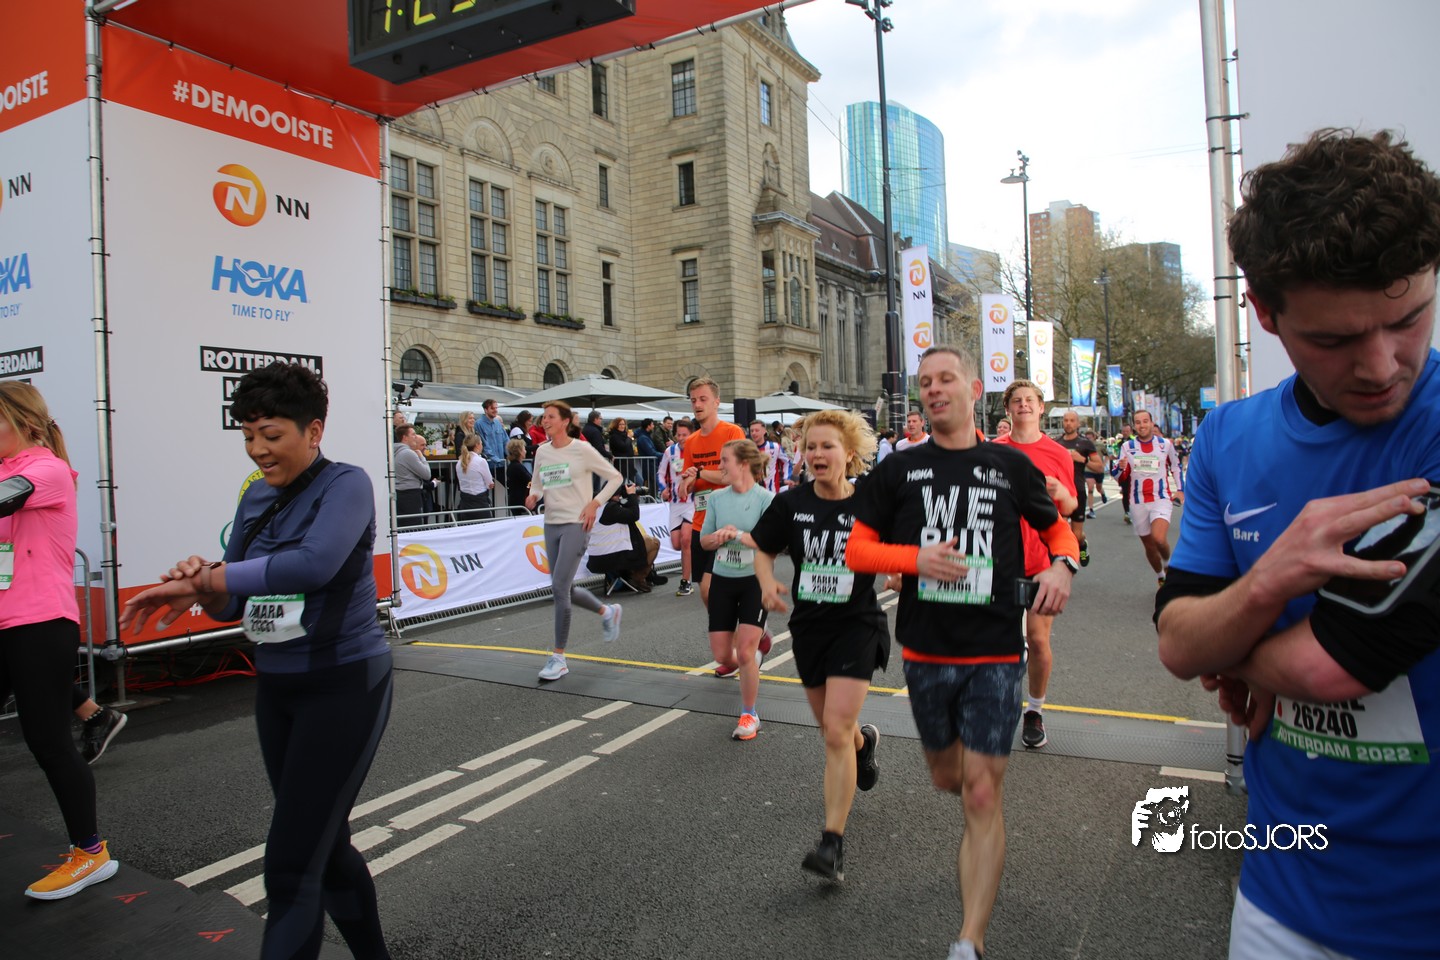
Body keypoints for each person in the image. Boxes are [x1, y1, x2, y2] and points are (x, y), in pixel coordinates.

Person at [1155, 129, 1440, 960]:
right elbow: (1177, 638)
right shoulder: (1228, 436)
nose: (1381, 365)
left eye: (1408, 319)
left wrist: (1231, 642)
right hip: (1284, 896)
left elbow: (1331, 666)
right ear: (1264, 312)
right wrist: (1269, 581)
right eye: (1335, 341)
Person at [119, 362, 393, 959]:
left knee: (291, 866)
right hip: (277, 688)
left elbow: (314, 565)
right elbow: (231, 605)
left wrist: (211, 578)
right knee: (325, 846)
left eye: (271, 435)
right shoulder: (255, 497)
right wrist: (201, 581)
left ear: (313, 431)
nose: (258, 450)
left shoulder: (346, 484)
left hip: (344, 684)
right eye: (248, 436)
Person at [845, 346, 1078, 960]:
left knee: (980, 793)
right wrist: (914, 559)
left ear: (974, 389)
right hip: (926, 651)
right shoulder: (898, 470)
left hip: (995, 650)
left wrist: (1063, 564)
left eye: (946, 378)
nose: (933, 389)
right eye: (925, 382)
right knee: (948, 777)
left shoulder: (1009, 464)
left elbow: (1056, 527)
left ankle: (969, 940)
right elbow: (858, 551)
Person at [750, 410, 889, 880]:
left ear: (848, 454)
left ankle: (832, 844)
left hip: (857, 624)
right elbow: (764, 548)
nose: (816, 454)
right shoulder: (791, 504)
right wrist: (766, 583)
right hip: (810, 627)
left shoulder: (871, 502)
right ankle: (863, 745)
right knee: (835, 730)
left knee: (834, 731)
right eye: (810, 447)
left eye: (827, 446)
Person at [0, 383, 120, 900]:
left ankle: (90, 853)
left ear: (24, 424)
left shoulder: (46, 470)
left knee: (47, 741)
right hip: (6, 624)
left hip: (41, 623)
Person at [993, 379, 1079, 750]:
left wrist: (1061, 493)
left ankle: (1035, 711)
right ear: (1008, 409)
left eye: (1030, 400)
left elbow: (1072, 507)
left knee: (1038, 639)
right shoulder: (993, 450)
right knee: (998, 641)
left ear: (1041, 408)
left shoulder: (1058, 454)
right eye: (1017, 400)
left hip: (1042, 560)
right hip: (999, 560)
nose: (1024, 405)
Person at [526, 401, 625, 681]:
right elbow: (538, 484)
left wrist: (595, 503)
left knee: (559, 587)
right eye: (543, 417)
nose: (545, 421)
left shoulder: (582, 449)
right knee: (564, 588)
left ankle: (559, 658)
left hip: (577, 523)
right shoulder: (542, 451)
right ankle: (607, 612)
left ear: (565, 422)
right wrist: (534, 496)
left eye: (550, 417)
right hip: (551, 523)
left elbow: (615, 478)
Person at [699, 439, 775, 739]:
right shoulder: (717, 498)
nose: (719, 466)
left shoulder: (766, 498)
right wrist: (718, 537)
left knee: (744, 652)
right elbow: (704, 541)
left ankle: (749, 714)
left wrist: (737, 534)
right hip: (723, 579)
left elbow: (769, 541)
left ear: (743, 464)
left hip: (755, 580)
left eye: (724, 460)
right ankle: (753, 654)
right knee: (723, 656)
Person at [1115, 410, 1184, 585]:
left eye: (1145, 421)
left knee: (1159, 539)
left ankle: (1168, 564)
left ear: (1152, 423)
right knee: (1149, 545)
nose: (1142, 425)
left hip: (1161, 498)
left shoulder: (1165, 445)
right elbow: (1119, 477)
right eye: (1138, 422)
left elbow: (1176, 467)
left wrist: (1180, 489)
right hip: (1137, 501)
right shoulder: (1127, 447)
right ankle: (1161, 576)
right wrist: (1120, 468)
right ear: (1134, 426)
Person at [587, 481, 665, 592]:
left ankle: (633, 578)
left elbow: (624, 511)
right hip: (612, 558)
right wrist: (632, 495)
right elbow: (634, 515)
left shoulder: (597, 506)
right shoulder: (611, 508)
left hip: (595, 560)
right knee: (654, 543)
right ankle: (638, 578)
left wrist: (629, 497)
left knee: (642, 541)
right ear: (617, 494)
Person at [1056, 410, 1102, 567]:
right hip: (1061, 492)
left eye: (1072, 420)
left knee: (1076, 535)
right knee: (1059, 531)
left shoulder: (1085, 443)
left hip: (1078, 491)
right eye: (1066, 420)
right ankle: (1064, 562)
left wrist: (1083, 460)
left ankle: (1082, 544)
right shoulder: (1056, 443)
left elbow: (1099, 467)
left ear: (1077, 423)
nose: (1068, 423)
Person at [657, 418, 696, 595]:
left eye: (684, 435)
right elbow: (660, 474)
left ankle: (686, 581)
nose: (681, 438)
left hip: (692, 503)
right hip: (674, 504)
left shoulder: (696, 449)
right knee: (676, 544)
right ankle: (696, 554)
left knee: (686, 540)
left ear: (691, 434)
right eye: (678, 435)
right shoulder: (670, 452)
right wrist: (663, 488)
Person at [393, 423, 435, 528]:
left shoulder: (395, 452)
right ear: (405, 437)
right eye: (413, 434)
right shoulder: (408, 453)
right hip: (410, 495)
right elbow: (426, 474)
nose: (415, 437)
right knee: (413, 526)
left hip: (401, 494)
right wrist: (422, 457)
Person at [455, 433, 494, 516]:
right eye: (481, 443)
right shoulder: (481, 461)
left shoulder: (459, 462)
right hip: (479, 502)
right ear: (477, 445)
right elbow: (489, 483)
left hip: (465, 502)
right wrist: (490, 484)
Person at [749, 419, 790, 493]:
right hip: (752, 492)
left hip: (771, 491)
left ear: (764, 431)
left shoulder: (775, 447)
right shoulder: (747, 449)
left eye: (757, 430)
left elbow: (786, 462)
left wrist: (786, 478)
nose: (754, 433)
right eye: (752, 431)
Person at [477, 398, 509, 487]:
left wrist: (511, 454)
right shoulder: (479, 424)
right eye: (492, 408)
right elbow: (483, 444)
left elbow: (506, 440)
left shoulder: (497, 423)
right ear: (485, 410)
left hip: (501, 463)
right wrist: (495, 458)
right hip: (489, 464)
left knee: (503, 489)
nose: (495, 410)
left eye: (496, 408)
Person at [1111, 421, 1135, 522]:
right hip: (1123, 470)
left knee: (1134, 491)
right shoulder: (1118, 443)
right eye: (1124, 431)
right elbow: (1114, 453)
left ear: (1131, 431)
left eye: (1127, 431)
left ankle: (1134, 511)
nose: (1125, 433)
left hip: (1134, 470)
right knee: (1125, 492)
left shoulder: (1135, 441)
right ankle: (1127, 512)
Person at [1082, 428, 1107, 516]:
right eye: (1087, 438)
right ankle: (1091, 510)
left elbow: (1107, 455)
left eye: (1090, 438)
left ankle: (1102, 494)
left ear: (1094, 437)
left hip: (1098, 470)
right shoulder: (1083, 446)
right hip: (1088, 469)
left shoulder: (1100, 445)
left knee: (1099, 487)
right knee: (1090, 488)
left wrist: (1104, 464)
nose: (1088, 440)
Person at [503, 438, 532, 516]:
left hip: (516, 501)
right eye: (524, 449)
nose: (525, 451)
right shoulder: (517, 467)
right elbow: (529, 481)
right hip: (520, 502)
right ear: (519, 451)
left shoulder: (513, 466)